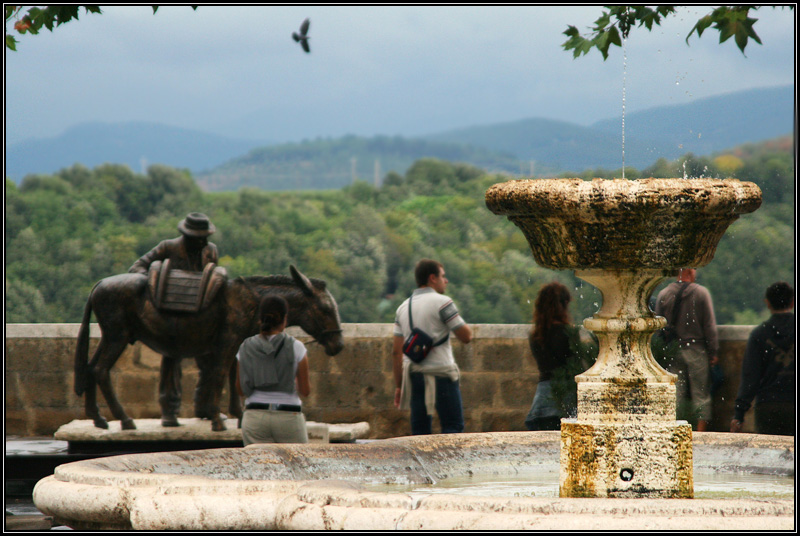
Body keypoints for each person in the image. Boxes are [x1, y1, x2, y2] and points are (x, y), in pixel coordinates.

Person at [128, 212, 219, 427]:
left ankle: (204, 406)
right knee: (171, 358)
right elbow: (137, 268)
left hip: (199, 318)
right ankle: (169, 410)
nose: (205, 242)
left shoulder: (210, 251)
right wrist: (156, 284)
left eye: (206, 237)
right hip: (173, 317)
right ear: (188, 236)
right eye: (200, 237)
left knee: (209, 360)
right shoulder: (167, 248)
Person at [392, 259, 472, 435]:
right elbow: (466, 336)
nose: (446, 281)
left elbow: (396, 352)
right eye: (443, 276)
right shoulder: (443, 303)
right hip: (441, 373)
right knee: (453, 428)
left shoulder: (403, 307)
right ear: (432, 278)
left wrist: (399, 386)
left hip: (414, 376)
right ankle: (449, 463)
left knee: (420, 433)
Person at [236, 295, 311, 445]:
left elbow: (240, 390)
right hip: (288, 418)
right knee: (297, 466)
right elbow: (305, 390)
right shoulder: (297, 347)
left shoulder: (245, 346)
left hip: (255, 418)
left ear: (260, 319)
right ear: (284, 320)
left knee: (259, 468)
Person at [655, 268, 719, 431]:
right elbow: (709, 326)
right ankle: (700, 432)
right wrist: (713, 351)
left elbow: (657, 328)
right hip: (696, 349)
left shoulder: (664, 294)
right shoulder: (701, 293)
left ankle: (674, 430)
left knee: (676, 395)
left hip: (673, 351)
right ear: (690, 272)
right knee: (701, 395)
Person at [524, 282, 591, 431]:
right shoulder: (567, 332)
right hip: (564, 395)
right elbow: (576, 367)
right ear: (564, 304)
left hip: (541, 398)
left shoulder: (535, 335)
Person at [731, 282, 795, 436]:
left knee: (768, 454)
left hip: (768, 406)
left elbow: (750, 377)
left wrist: (739, 414)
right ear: (793, 302)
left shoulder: (759, 335)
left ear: (767, 303)